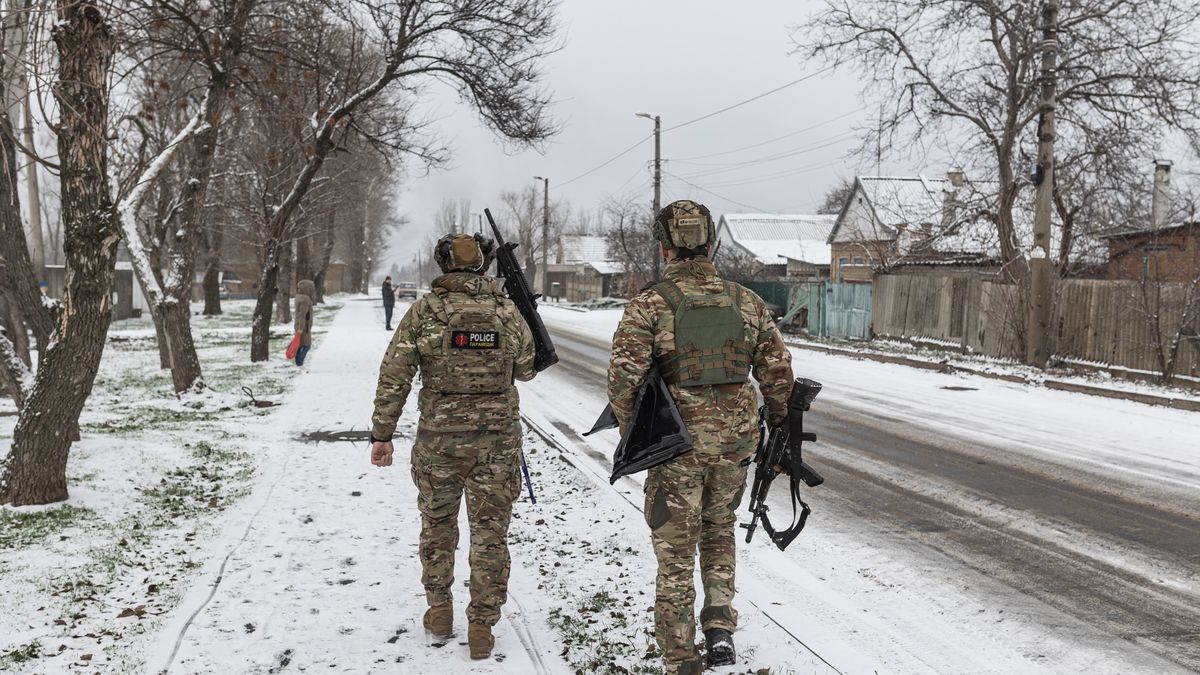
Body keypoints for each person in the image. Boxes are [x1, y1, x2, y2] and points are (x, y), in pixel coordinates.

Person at [607, 200, 793, 675]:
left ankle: (679, 655)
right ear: (709, 242)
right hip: (734, 446)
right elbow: (777, 375)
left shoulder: (651, 303)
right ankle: (720, 630)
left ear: (665, 246)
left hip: (677, 448)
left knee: (674, 551)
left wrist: (637, 434)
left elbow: (623, 381)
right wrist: (775, 424)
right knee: (718, 531)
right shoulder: (746, 301)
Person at [368, 233, 537, 660]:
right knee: (490, 536)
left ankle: (440, 611)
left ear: (443, 266)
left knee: (438, 528)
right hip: (497, 445)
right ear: (482, 264)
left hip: (439, 445)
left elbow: (395, 375)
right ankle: (482, 626)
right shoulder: (505, 310)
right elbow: (527, 368)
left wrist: (382, 435)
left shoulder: (425, 312)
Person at [293, 279, 316, 366]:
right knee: (306, 345)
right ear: (307, 288)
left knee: (300, 344)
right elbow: (302, 315)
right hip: (303, 327)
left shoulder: (299, 297)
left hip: (301, 325)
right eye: (311, 288)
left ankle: (298, 362)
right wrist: (301, 328)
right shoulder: (305, 299)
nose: (312, 290)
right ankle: (299, 363)